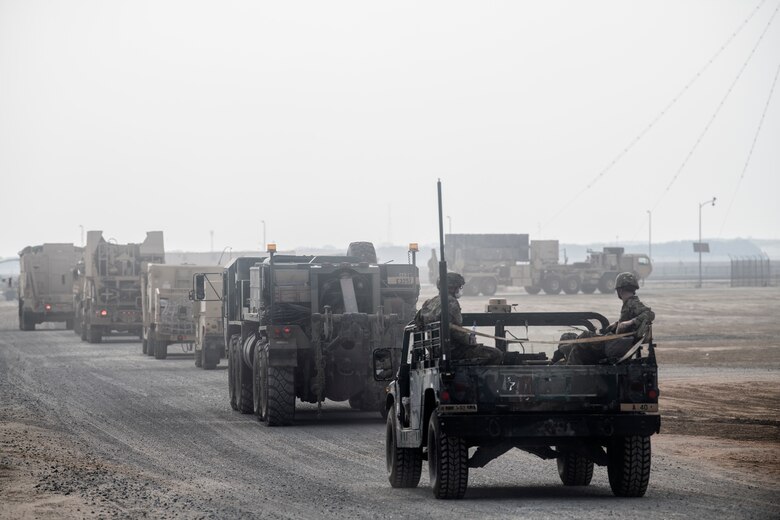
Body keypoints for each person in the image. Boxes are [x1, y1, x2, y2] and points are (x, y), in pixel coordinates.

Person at [564, 272, 655, 365]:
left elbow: (650, 314)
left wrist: (630, 322)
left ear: (620, 290)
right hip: (615, 343)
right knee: (569, 338)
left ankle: (567, 370)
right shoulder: (628, 304)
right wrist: (617, 324)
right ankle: (566, 352)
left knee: (585, 336)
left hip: (615, 345)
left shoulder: (632, 303)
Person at [415, 272, 503, 365]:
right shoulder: (451, 303)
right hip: (453, 352)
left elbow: (417, 322)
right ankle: (480, 379)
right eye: (459, 287)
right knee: (496, 354)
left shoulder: (430, 302)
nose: (459, 290)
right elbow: (456, 333)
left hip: (434, 352)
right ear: (452, 288)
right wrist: (470, 340)